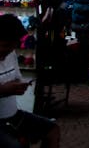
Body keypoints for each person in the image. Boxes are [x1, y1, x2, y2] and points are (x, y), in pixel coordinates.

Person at [0, 14, 61, 148]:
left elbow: (17, 77)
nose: (7, 52)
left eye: (12, 47)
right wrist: (3, 90)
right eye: (5, 46)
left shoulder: (11, 54)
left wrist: (19, 86)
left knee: (52, 130)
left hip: (12, 115)